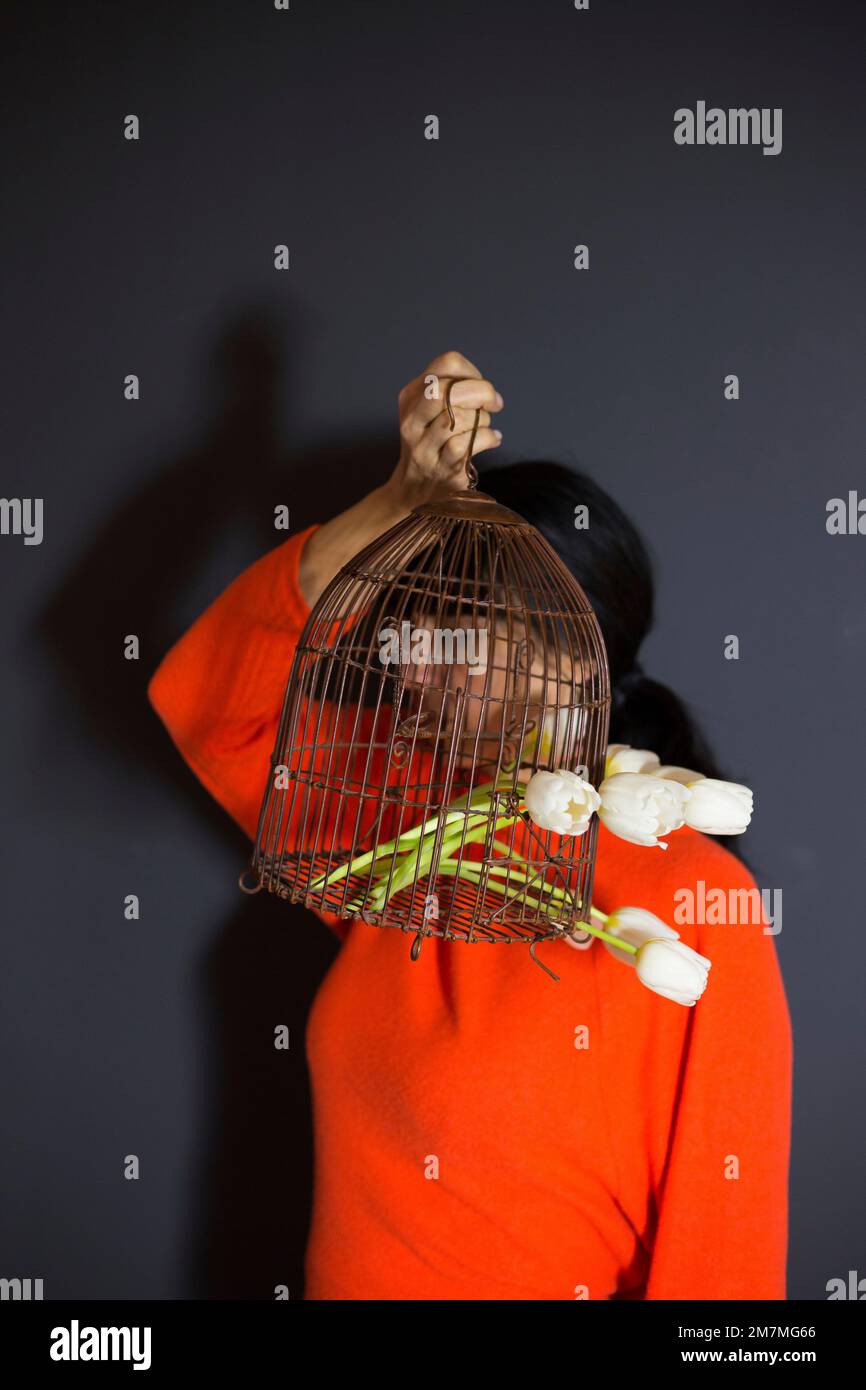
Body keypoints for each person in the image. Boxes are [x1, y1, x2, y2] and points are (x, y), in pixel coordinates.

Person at [148, 350, 792, 1300]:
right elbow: (208, 705)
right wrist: (398, 505)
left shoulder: (693, 904)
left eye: (457, 628)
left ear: (574, 650)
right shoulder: (403, 827)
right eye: (404, 632)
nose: (414, 667)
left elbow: (725, 1274)